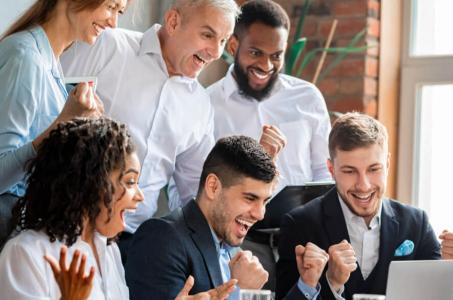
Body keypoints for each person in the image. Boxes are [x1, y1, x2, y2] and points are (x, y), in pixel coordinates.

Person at [60, 0, 285, 261]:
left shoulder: (200, 105)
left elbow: (196, 194)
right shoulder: (108, 46)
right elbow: (44, 110)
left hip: (134, 245)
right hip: (69, 224)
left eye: (222, 41)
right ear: (173, 22)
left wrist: (254, 171)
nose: (214, 51)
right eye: (207, 34)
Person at [0, 117, 236, 300]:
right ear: (91, 182)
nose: (140, 197)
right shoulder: (25, 254)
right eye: (130, 182)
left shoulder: (107, 250)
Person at [275, 112, 453, 300]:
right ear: (331, 169)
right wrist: (332, 283)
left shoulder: (416, 223)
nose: (363, 185)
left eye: (374, 169)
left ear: (387, 164)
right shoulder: (299, 224)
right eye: (349, 171)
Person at [207, 0, 331, 289]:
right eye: (256, 53)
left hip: (303, 245)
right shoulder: (207, 105)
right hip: (239, 247)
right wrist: (258, 160)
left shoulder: (308, 98)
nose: (266, 65)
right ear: (233, 46)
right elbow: (198, 188)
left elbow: (324, 173)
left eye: (277, 55)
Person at [126, 136, 323, 300]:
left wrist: (307, 285)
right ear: (213, 187)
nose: (260, 214)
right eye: (250, 198)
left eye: (264, 201)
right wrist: (238, 291)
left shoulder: (231, 244)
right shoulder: (161, 239)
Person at [0, 0, 123, 247]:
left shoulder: (49, 61)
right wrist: (63, 123)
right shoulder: (26, 57)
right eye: (110, 6)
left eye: (119, 11)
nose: (113, 22)